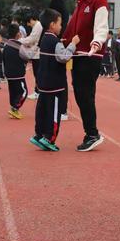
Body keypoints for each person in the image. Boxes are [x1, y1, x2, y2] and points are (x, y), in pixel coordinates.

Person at [63, 0, 109, 152]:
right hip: (78, 55)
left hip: (90, 56)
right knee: (81, 94)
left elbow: (102, 28)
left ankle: (92, 134)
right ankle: (90, 132)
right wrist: (61, 42)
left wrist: (96, 44)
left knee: (85, 95)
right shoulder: (83, 1)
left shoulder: (99, 1)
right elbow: (73, 25)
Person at [30, 9, 80, 151]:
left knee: (42, 109)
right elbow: (63, 57)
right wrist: (73, 44)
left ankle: (38, 135)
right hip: (55, 84)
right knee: (54, 111)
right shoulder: (55, 41)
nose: (61, 26)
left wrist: (60, 44)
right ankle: (49, 138)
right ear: (52, 25)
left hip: (43, 83)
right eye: (60, 24)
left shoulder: (45, 38)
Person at [3, 24, 28, 120]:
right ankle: (15, 108)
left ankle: (13, 108)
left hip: (9, 74)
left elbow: (4, 59)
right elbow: (26, 56)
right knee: (23, 91)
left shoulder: (6, 45)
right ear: (18, 34)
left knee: (13, 92)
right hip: (18, 74)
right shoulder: (19, 46)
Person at [21, 13, 43, 101]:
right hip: (35, 53)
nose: (28, 25)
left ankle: (38, 92)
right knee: (37, 74)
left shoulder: (38, 26)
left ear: (31, 20)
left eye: (28, 23)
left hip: (37, 54)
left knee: (37, 74)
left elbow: (31, 39)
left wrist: (20, 41)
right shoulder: (37, 26)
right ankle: (37, 91)